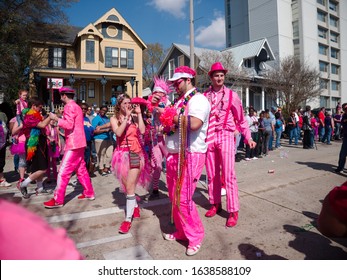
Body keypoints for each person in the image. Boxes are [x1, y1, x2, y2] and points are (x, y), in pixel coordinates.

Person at [159, 66, 210, 256]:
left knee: (183, 199)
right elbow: (172, 125)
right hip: (174, 154)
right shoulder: (179, 101)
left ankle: (195, 236)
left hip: (191, 154)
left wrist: (172, 117)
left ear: (188, 80)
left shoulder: (198, 99)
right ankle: (181, 231)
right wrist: (164, 123)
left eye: (177, 82)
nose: (174, 85)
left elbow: (195, 124)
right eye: (173, 83)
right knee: (175, 197)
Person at [203, 62, 256, 228]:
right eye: (216, 75)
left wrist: (248, 138)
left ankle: (233, 210)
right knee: (212, 174)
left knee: (228, 175)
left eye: (221, 75)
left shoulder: (232, 95)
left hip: (226, 134)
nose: (219, 78)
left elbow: (241, 119)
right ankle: (215, 203)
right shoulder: (204, 97)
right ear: (211, 77)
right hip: (210, 136)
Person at [44, 87, 95, 208]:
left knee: (63, 171)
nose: (60, 97)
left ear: (64, 96)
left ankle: (58, 200)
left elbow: (69, 125)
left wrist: (56, 118)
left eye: (61, 95)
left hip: (73, 143)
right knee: (80, 169)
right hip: (80, 142)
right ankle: (89, 192)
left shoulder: (69, 106)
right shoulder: (76, 106)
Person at [110, 94, 150, 234]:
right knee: (128, 188)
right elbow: (118, 133)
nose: (128, 105)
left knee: (130, 187)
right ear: (119, 105)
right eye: (125, 103)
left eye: (129, 103)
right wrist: (126, 118)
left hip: (135, 154)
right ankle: (135, 205)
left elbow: (143, 131)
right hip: (120, 156)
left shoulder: (134, 117)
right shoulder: (114, 118)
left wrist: (138, 114)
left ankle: (127, 219)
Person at [0, 199, 83, 259]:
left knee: (63, 175)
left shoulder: (9, 218)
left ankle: (58, 199)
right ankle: (88, 192)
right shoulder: (8, 216)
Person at [18, 97, 51, 197]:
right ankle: (23, 184)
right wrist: (51, 117)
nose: (41, 109)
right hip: (34, 143)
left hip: (41, 142)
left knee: (38, 167)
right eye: (39, 107)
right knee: (43, 169)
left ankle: (40, 188)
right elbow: (41, 125)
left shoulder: (36, 114)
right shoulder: (29, 116)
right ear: (33, 106)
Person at [147, 76, 171, 198]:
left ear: (164, 93)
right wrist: (152, 103)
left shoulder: (169, 103)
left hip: (167, 138)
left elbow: (172, 116)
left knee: (172, 163)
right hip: (156, 139)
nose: (157, 94)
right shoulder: (151, 103)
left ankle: (173, 188)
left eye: (160, 92)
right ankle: (155, 188)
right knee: (157, 165)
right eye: (155, 92)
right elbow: (148, 112)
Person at [92, 105, 113, 175]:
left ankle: (107, 167)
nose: (103, 111)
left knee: (110, 153)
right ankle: (101, 168)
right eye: (102, 110)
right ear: (99, 110)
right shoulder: (96, 119)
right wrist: (105, 130)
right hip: (99, 138)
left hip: (108, 138)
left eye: (105, 110)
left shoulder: (107, 118)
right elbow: (93, 131)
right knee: (101, 154)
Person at [335, 103, 347, 173]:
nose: (346, 110)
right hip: (346, 137)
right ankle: (340, 167)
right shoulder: (344, 116)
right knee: (343, 154)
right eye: (345, 109)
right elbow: (342, 122)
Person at [0, 109, 10, 187]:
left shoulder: (2, 114)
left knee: (1, 160)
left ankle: (2, 178)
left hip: (1, 141)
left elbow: (5, 126)